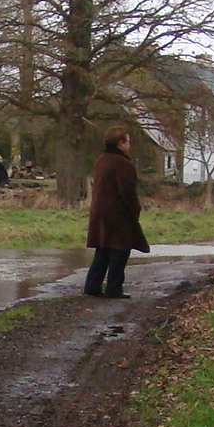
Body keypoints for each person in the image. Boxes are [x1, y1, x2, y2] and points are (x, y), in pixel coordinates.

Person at [84, 125, 150, 298]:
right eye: (127, 141)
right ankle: (114, 288)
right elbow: (127, 191)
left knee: (103, 250)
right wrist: (135, 209)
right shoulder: (122, 163)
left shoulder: (101, 160)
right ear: (121, 143)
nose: (129, 145)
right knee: (120, 250)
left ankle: (92, 286)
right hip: (118, 214)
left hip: (100, 211)